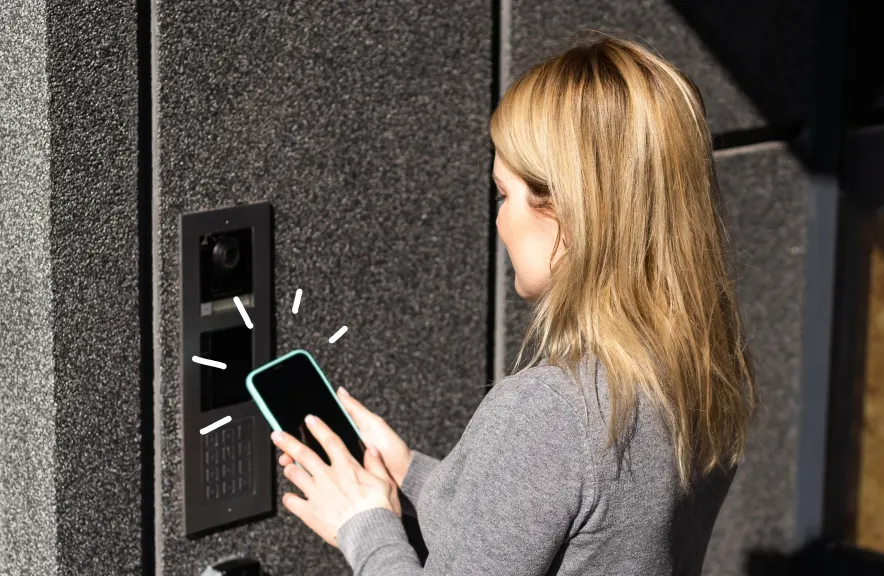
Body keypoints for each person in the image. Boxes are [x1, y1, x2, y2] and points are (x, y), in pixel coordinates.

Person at [271, 30, 757, 575]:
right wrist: (410, 475)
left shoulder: (549, 411)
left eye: (505, 193)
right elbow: (565, 522)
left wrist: (364, 524)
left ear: (569, 211)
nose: (499, 218)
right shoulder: (700, 374)